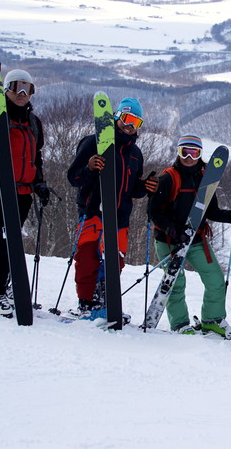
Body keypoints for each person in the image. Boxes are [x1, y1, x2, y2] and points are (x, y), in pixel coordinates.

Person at [0, 60, 50, 317]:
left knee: (11, 242)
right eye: (16, 87)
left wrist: (39, 182)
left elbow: (35, 157)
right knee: (2, 242)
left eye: (28, 88)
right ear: (5, 89)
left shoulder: (33, 123)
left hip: (22, 192)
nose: (22, 94)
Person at [66, 97, 158, 323]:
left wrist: (144, 186)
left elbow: (133, 188)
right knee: (87, 259)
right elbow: (73, 177)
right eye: (127, 118)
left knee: (114, 263)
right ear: (117, 116)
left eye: (136, 122)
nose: (130, 125)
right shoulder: (93, 142)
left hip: (119, 217)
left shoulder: (136, 153)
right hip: (93, 211)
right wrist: (89, 167)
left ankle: (106, 303)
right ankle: (87, 304)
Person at [148, 134, 231, 337]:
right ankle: (180, 324)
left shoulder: (204, 177)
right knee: (175, 281)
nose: (189, 157)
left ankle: (212, 320)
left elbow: (211, 211)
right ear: (178, 152)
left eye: (194, 152)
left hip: (195, 238)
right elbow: (153, 212)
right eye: (185, 151)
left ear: (200, 154)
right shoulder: (168, 177)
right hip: (168, 240)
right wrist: (173, 230)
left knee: (215, 278)